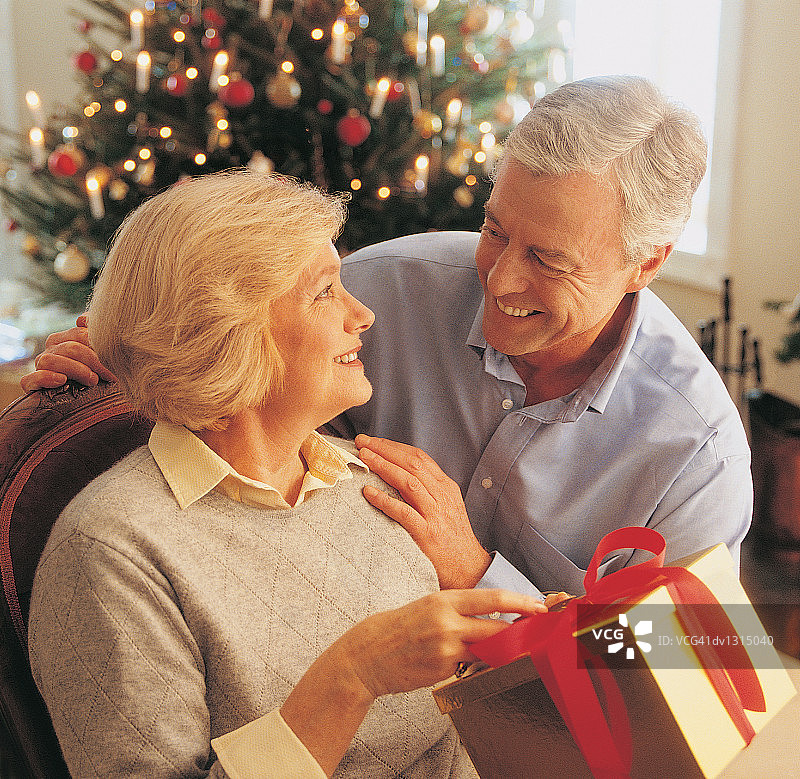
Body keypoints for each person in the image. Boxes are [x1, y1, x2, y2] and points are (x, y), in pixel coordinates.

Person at [24, 76, 752, 602]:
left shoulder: (700, 458)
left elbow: (682, 696)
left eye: (549, 261)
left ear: (646, 263)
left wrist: (478, 573)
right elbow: (218, 357)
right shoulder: (385, 289)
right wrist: (117, 355)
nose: (498, 281)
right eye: (496, 230)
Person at [27, 171, 545, 779]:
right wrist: (350, 676)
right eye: (325, 292)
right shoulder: (111, 551)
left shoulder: (377, 483)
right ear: (232, 333)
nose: (363, 315)